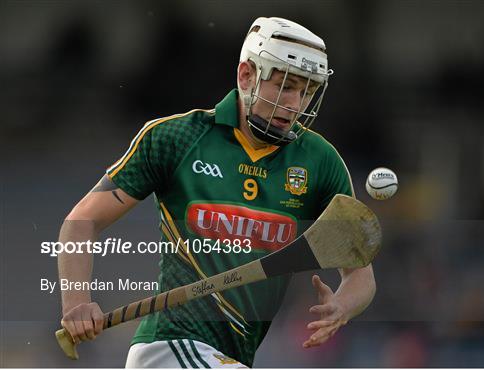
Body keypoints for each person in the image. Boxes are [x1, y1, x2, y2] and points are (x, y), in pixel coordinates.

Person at [58, 16, 376, 368]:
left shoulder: (321, 161)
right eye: (286, 85)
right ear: (246, 75)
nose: (296, 104)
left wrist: (342, 306)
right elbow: (81, 222)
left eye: (307, 91)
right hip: (168, 349)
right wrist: (76, 302)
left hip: (232, 358)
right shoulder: (177, 138)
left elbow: (360, 274)